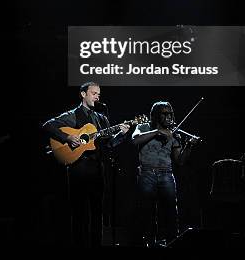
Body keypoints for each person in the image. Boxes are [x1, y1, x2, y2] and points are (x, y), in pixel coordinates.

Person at [43, 82, 130, 247]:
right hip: (78, 168)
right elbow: (48, 125)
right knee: (79, 213)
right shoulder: (73, 115)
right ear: (83, 94)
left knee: (98, 212)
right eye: (93, 93)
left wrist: (121, 134)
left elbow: (109, 144)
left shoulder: (101, 118)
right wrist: (67, 138)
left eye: (98, 94)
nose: (97, 97)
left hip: (97, 168)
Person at [132, 100, 196, 247]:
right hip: (147, 174)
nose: (169, 117)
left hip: (166, 174)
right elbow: (135, 140)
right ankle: (148, 243)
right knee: (147, 211)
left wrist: (189, 146)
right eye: (164, 114)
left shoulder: (174, 133)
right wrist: (157, 132)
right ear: (155, 116)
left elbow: (179, 160)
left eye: (170, 114)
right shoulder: (143, 127)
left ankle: (172, 242)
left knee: (170, 212)